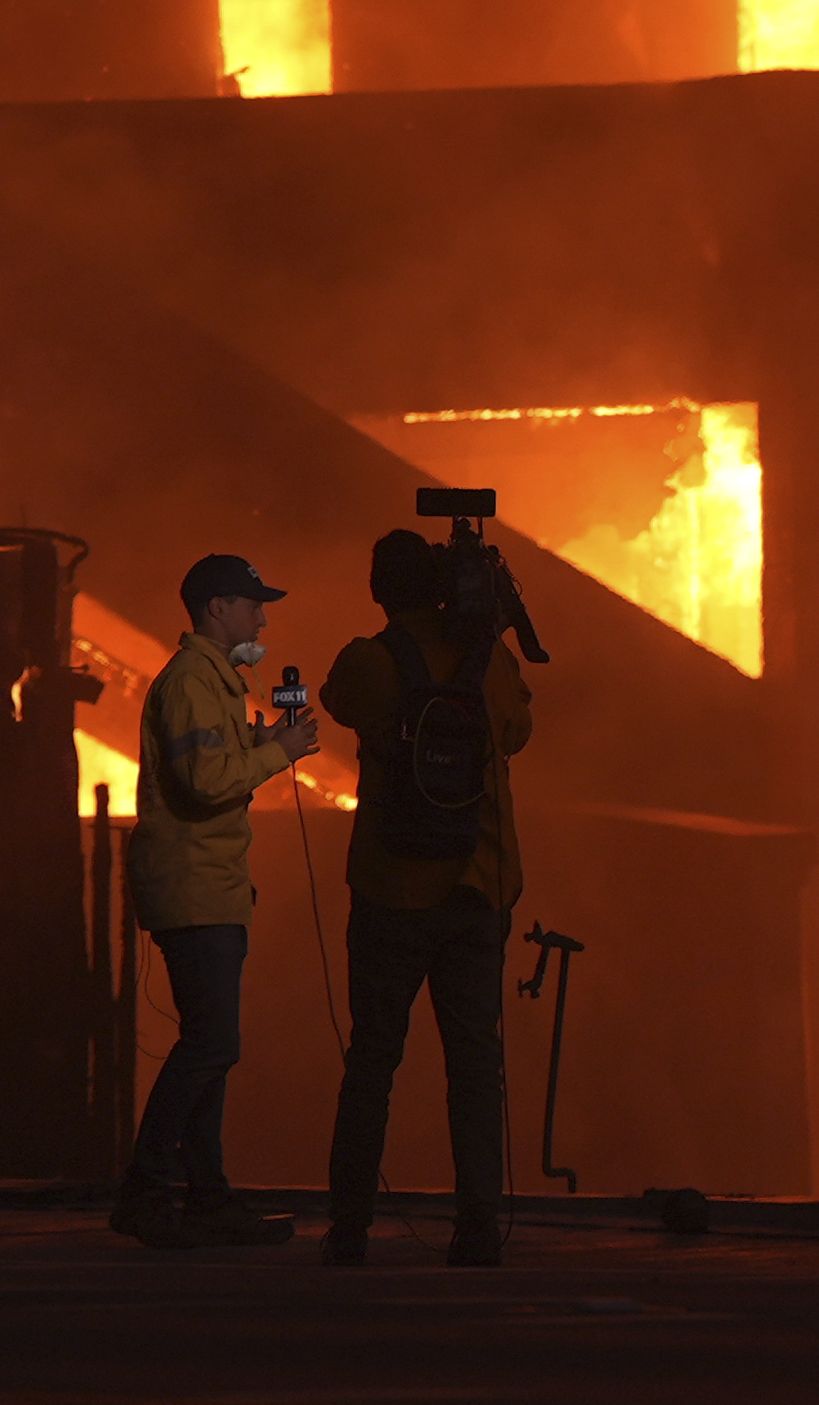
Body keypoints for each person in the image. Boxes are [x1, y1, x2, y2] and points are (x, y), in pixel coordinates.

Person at [316, 527, 535, 1267]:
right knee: (475, 1064)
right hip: (477, 886)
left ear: (378, 589)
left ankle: (349, 1228)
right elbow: (520, 730)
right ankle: (477, 1229)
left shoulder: (369, 661)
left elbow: (333, 701)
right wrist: (488, 629)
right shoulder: (488, 661)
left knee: (373, 1057)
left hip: (389, 888)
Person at [109, 551, 320, 1249]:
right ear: (216, 608)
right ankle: (146, 1188)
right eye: (252, 602)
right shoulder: (194, 684)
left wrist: (257, 743)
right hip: (196, 886)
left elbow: (211, 771)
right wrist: (278, 751)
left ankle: (207, 1198)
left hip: (210, 886)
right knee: (211, 1042)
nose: (262, 615)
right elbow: (205, 781)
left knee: (212, 1046)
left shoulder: (213, 683)